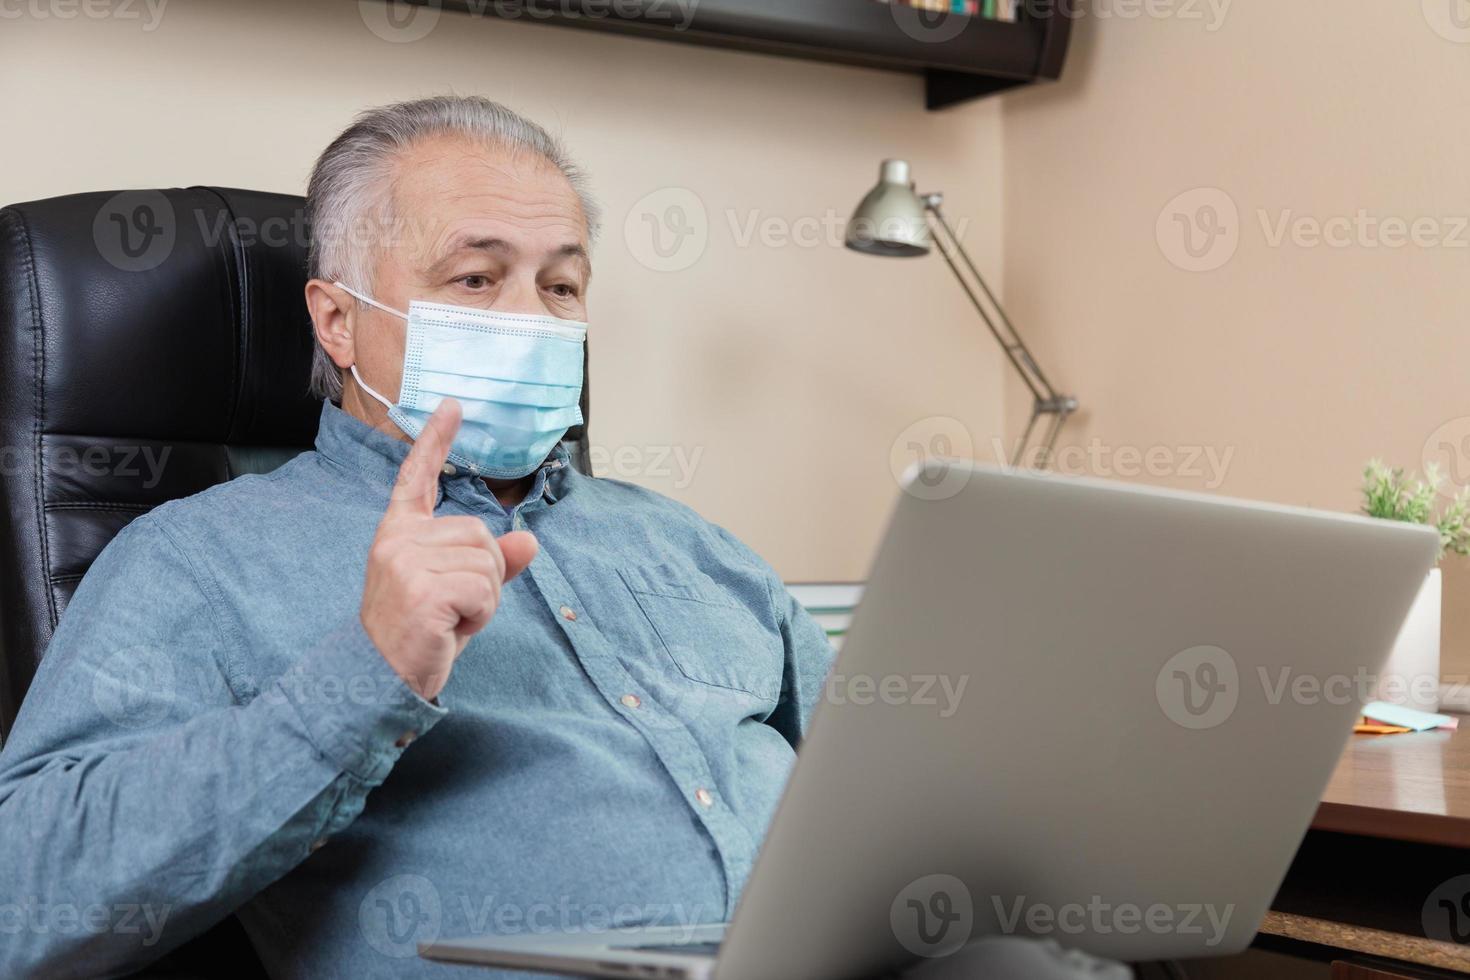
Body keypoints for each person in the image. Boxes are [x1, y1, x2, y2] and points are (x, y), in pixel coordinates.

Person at [0, 96, 834, 978]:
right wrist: (369, 676)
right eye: (475, 278)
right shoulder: (197, 560)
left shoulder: (696, 548)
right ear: (337, 321)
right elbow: (24, 901)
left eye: (561, 286)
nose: (532, 321)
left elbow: (892, 788)